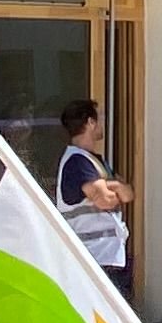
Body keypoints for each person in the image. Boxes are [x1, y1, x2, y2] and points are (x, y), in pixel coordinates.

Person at [55, 98, 136, 305]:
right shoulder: (77, 162)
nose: (102, 124)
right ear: (90, 123)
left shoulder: (95, 161)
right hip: (94, 260)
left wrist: (113, 186)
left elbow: (128, 194)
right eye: (98, 119)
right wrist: (114, 186)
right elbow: (106, 200)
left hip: (109, 258)